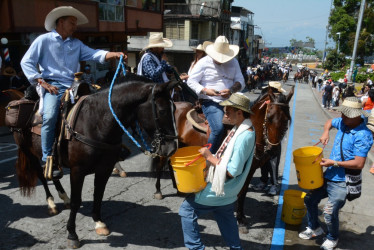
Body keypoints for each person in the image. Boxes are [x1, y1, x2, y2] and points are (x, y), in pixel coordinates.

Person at [21, 6, 124, 180]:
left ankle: (105, 147)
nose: (75, 26)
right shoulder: (43, 40)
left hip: (75, 85)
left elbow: (94, 53)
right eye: (72, 22)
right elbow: (26, 62)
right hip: (53, 85)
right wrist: (41, 81)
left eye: (75, 23)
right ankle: (48, 158)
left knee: (100, 106)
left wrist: (113, 54)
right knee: (51, 115)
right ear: (61, 22)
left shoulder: (76, 44)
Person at [179, 93, 256, 250]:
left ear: (239, 113)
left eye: (228, 111)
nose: (225, 114)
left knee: (186, 210)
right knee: (225, 216)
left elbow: (231, 171)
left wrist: (209, 156)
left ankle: (196, 248)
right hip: (228, 192)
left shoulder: (244, 136)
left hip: (220, 188)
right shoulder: (243, 128)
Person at [299, 97, 372, 250]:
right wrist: (326, 132)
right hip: (329, 176)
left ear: (357, 115)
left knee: (329, 211)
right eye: (343, 114)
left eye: (346, 114)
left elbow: (359, 163)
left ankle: (332, 237)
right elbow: (330, 122)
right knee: (309, 200)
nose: (342, 117)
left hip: (342, 181)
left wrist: (334, 162)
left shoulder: (363, 135)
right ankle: (314, 228)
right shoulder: (343, 122)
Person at [186, 36, 245, 153]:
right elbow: (191, 81)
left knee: (246, 125)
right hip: (210, 101)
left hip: (231, 100)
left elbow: (241, 82)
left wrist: (231, 90)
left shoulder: (234, 62)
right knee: (218, 129)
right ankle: (209, 156)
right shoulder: (203, 62)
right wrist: (205, 90)